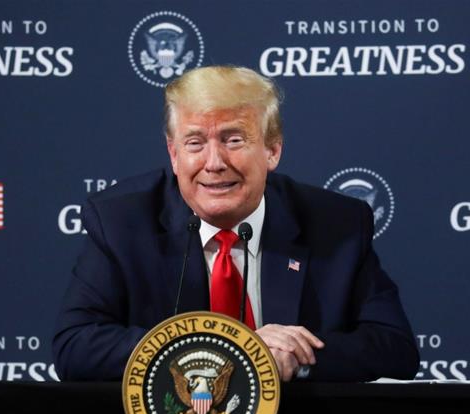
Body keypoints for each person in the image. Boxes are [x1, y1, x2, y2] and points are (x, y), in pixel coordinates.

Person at [52, 65, 418, 382]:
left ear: (272, 150)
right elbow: (76, 346)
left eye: (234, 139)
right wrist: (234, 348)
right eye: (195, 143)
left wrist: (294, 359)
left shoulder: (335, 224)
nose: (214, 162)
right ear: (173, 154)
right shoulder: (123, 221)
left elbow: (395, 349)